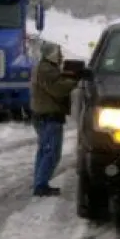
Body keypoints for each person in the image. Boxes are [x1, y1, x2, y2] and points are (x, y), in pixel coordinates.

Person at [29, 41, 79, 196]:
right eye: (58, 53)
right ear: (52, 54)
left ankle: (39, 181)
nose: (61, 56)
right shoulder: (46, 70)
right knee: (51, 152)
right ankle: (41, 185)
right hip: (49, 117)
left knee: (44, 150)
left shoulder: (45, 68)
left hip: (43, 116)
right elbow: (58, 89)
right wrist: (75, 80)